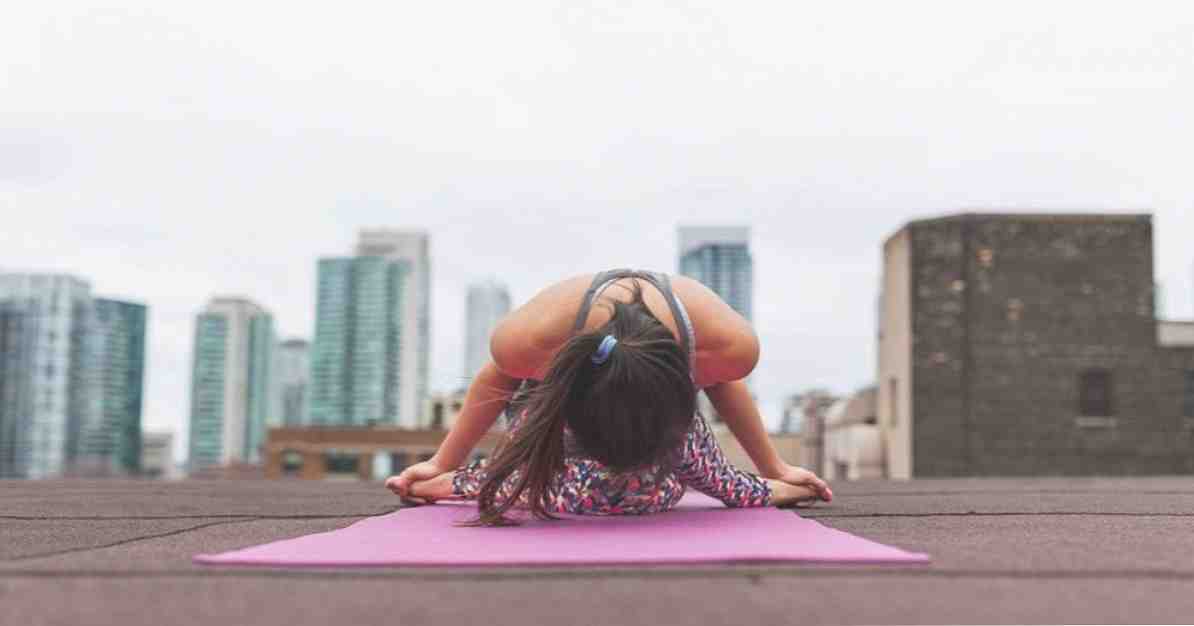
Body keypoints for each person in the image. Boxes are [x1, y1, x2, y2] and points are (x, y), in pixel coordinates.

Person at [386, 269, 832, 526]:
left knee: (635, 491)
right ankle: (469, 481)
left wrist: (776, 474)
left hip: (664, 426)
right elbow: (497, 379)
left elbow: (724, 384)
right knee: (572, 486)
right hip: (559, 411)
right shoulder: (529, 341)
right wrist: (442, 463)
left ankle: (470, 482)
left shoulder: (726, 345)